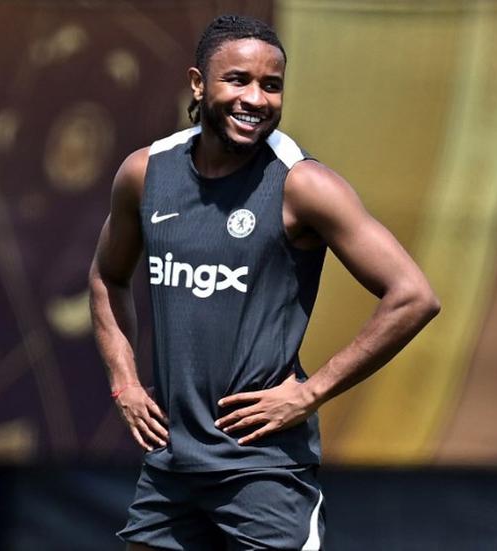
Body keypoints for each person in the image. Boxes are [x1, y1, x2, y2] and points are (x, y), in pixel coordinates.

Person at [89, 14, 440, 551]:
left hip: (265, 472)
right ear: (198, 84)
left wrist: (310, 393)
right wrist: (125, 384)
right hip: (171, 469)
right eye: (238, 80)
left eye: (271, 85)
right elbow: (107, 277)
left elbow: (413, 296)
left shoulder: (303, 185)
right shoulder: (146, 173)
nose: (256, 98)